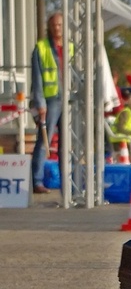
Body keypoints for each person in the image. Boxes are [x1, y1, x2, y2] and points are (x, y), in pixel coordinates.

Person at [29, 12, 70, 194]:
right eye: (54, 25)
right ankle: (37, 181)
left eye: (60, 25)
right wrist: (40, 103)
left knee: (66, 143)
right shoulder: (41, 48)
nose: (57, 28)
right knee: (43, 139)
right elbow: (37, 78)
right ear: (49, 27)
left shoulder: (71, 47)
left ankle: (67, 181)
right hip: (50, 100)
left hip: (69, 99)